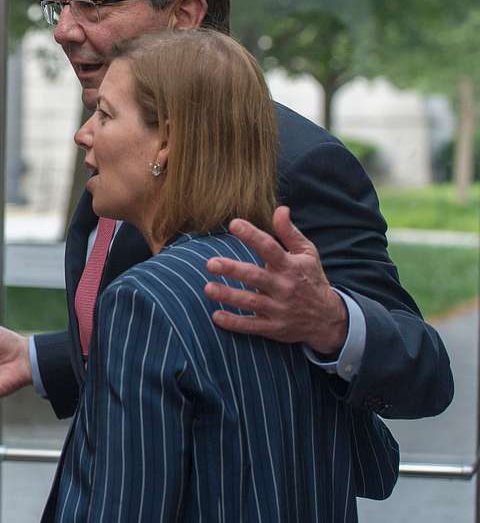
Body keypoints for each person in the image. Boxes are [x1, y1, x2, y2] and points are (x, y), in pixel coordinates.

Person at [0, 0, 452, 422]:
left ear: (185, 16)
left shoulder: (298, 163)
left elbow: (425, 372)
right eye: (61, 5)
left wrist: (330, 323)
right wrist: (35, 358)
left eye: (92, 5)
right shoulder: (114, 143)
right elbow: (170, 334)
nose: (64, 30)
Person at [47, 30, 399, 521]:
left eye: (105, 114)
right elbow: (375, 468)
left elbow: (123, 505)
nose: (84, 133)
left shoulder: (145, 300)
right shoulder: (291, 293)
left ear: (166, 140)